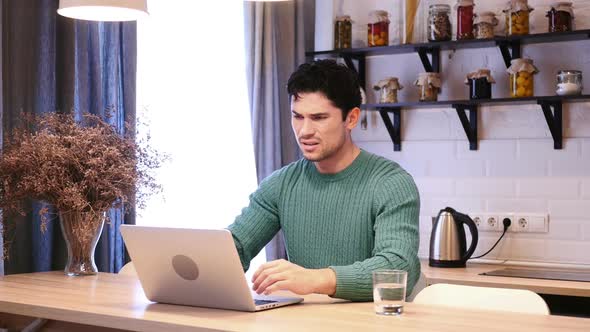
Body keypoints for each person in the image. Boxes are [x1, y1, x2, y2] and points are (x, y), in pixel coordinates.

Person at [227, 59, 420, 302]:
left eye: (318, 118)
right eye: (297, 116)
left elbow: (398, 267)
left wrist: (315, 279)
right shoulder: (281, 184)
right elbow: (235, 248)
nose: (304, 131)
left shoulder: (391, 183)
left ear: (351, 119)